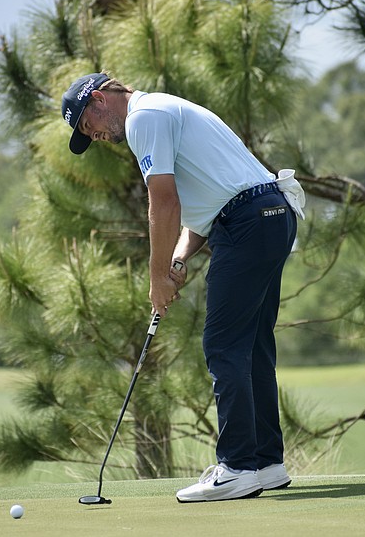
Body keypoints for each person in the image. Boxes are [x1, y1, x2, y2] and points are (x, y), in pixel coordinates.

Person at [61, 72, 305, 503]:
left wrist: (156, 278)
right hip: (271, 214)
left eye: (87, 125)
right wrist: (176, 258)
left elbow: (164, 200)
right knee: (252, 347)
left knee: (223, 346)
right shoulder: (164, 109)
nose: (95, 136)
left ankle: (236, 468)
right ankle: (267, 464)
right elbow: (206, 207)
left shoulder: (143, 118)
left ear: (99, 98)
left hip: (247, 222)